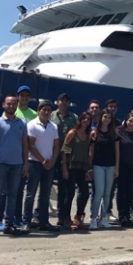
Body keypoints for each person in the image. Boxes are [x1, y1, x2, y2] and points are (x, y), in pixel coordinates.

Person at [0, 95, 29, 238]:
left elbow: (25, 144)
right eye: (9, 104)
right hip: (1, 164)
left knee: (13, 196)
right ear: (3, 105)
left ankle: (9, 225)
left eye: (13, 104)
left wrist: (25, 163)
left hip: (17, 164)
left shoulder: (22, 123)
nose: (11, 106)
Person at [23, 100, 60, 232]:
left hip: (49, 164)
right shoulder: (32, 125)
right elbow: (30, 145)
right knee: (30, 194)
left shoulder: (53, 127)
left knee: (45, 194)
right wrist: (43, 160)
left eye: (49, 110)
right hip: (35, 163)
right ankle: (26, 221)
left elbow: (56, 145)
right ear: (39, 110)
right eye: (44, 109)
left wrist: (53, 160)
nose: (46, 112)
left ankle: (43, 221)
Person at [59, 112, 92, 230]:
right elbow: (64, 150)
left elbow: (88, 154)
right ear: (80, 120)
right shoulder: (72, 133)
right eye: (84, 119)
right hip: (71, 167)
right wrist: (64, 168)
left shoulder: (88, 135)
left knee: (85, 193)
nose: (86, 121)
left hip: (82, 167)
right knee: (70, 193)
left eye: (88, 119)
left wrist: (89, 169)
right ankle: (65, 218)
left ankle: (78, 216)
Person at [89, 111, 120, 230]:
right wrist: (89, 167)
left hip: (111, 165)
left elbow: (117, 152)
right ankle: (93, 218)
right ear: (101, 118)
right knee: (99, 193)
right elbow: (91, 152)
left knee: (108, 194)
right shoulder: (95, 133)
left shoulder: (114, 134)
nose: (107, 119)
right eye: (105, 117)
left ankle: (103, 218)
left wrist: (117, 167)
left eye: (109, 117)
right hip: (98, 165)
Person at [51, 93, 78, 227]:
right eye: (62, 100)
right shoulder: (51, 115)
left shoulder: (74, 117)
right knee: (46, 187)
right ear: (57, 102)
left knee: (64, 188)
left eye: (67, 101)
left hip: (66, 156)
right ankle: (39, 216)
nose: (64, 103)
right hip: (51, 155)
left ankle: (62, 217)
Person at [13, 84, 37, 227]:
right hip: (15, 155)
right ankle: (13, 216)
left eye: (27, 96)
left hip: (29, 157)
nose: (24, 98)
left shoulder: (34, 114)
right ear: (18, 97)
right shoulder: (12, 112)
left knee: (26, 190)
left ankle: (23, 217)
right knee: (15, 190)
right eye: (22, 95)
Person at [117, 113, 133, 227]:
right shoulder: (119, 132)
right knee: (121, 191)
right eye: (130, 121)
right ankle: (121, 215)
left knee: (130, 192)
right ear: (126, 121)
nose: (131, 123)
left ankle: (127, 215)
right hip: (122, 165)